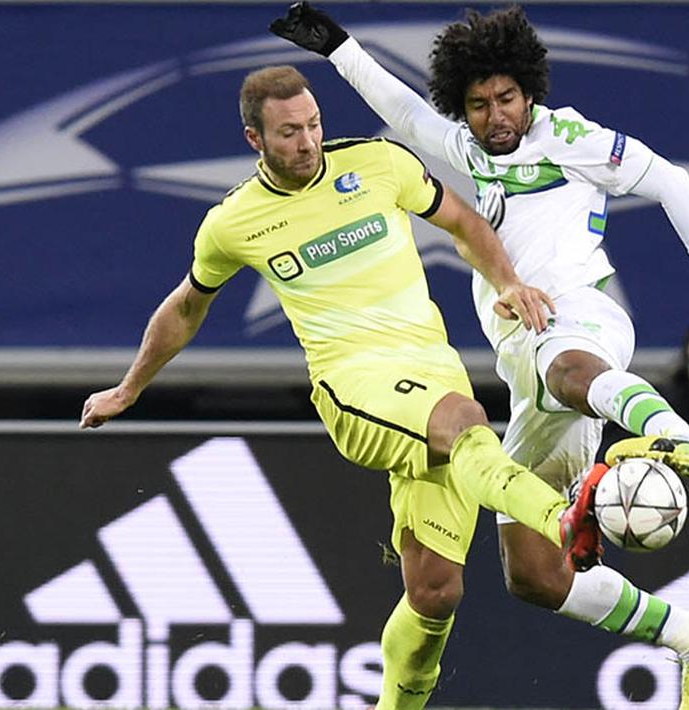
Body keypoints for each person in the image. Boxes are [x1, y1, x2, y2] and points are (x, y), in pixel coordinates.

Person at [272, 6, 689, 707]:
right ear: (464, 106)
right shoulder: (471, 151)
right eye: (478, 103)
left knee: (568, 371)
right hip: (528, 372)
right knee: (533, 574)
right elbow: (403, 111)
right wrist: (339, 47)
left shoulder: (569, 136)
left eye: (506, 98)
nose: (495, 114)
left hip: (583, 321)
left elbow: (672, 182)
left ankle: (679, 439)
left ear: (529, 92)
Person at [79, 65, 607, 710]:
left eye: (313, 125)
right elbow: (187, 305)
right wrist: (129, 389)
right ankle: (561, 517)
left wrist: (508, 283)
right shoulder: (234, 223)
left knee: (436, 593)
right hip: (354, 385)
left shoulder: (380, 163)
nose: (306, 142)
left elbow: (465, 220)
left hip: (431, 370)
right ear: (256, 140)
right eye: (288, 134)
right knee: (467, 421)